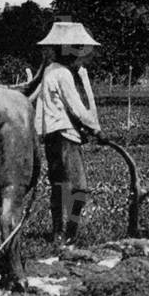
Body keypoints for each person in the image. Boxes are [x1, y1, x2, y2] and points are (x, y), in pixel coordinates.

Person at [35, 18, 107, 247]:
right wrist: (96, 129)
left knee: (58, 186)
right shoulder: (64, 75)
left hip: (51, 136)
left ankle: (57, 232)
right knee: (80, 189)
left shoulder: (49, 71)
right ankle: (71, 233)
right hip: (66, 136)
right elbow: (75, 107)